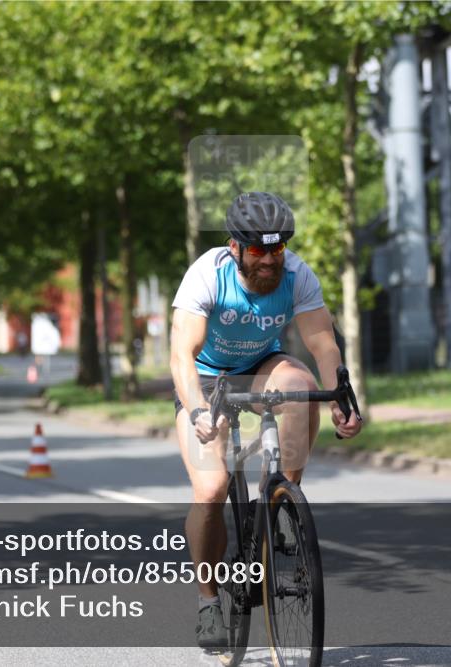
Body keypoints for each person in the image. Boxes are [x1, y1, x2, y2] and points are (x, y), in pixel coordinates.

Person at [169, 191, 362, 649]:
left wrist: (339, 392)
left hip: (260, 367)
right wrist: (197, 410)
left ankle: (280, 504)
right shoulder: (206, 275)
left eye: (276, 249)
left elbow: (321, 340)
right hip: (206, 378)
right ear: (234, 247)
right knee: (211, 490)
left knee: (298, 385)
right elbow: (182, 353)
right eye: (257, 250)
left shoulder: (297, 274)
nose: (269, 261)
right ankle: (208, 600)